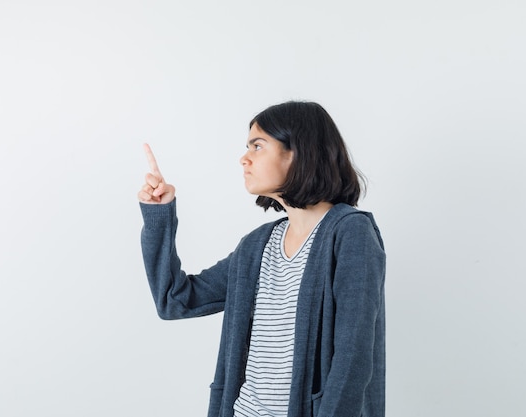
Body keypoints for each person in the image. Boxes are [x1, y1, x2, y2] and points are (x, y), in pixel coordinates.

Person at [138, 101, 386, 417]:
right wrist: (160, 215)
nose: (244, 158)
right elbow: (175, 300)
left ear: (298, 152)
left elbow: (352, 359)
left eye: (258, 146)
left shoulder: (350, 233)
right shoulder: (258, 246)